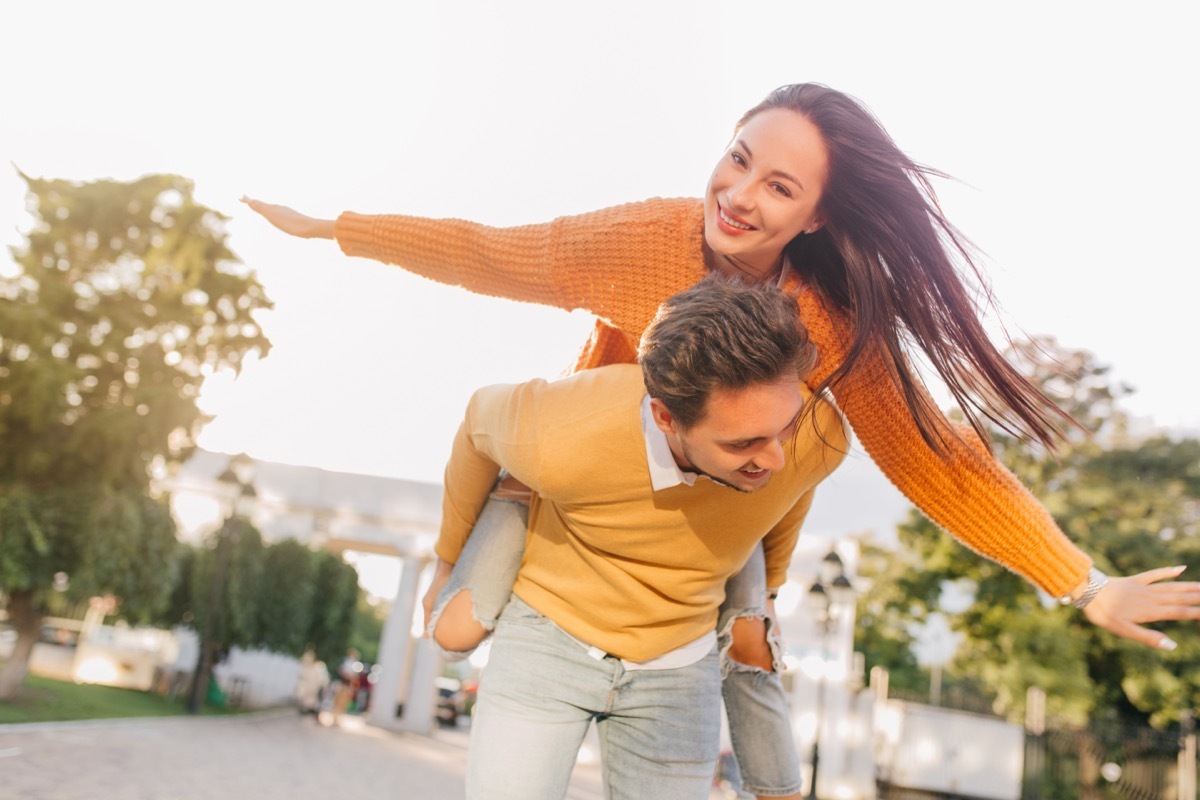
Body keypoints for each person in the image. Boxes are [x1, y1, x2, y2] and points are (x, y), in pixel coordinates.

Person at [244, 82, 1200, 799]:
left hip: (719, 535)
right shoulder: (643, 241)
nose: (737, 194)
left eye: (777, 186)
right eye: (737, 157)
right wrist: (340, 229)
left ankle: (752, 638)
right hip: (592, 485)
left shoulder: (831, 324)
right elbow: (497, 252)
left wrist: (1079, 580)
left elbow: (937, 455)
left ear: (817, 215)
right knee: (483, 576)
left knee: (801, 472)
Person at [444, 276, 845, 799]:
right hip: (551, 634)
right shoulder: (560, 432)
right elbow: (477, 418)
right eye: (744, 441)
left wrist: (769, 585)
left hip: (679, 664)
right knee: (452, 636)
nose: (774, 458)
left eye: (783, 429)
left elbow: (792, 488)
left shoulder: (818, 438)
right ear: (666, 418)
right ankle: (520, 491)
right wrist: (443, 559)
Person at [294, 645, 329, 721]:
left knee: (315, 703)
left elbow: (322, 678)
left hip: (315, 688)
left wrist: (323, 686)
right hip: (307, 688)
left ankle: (315, 714)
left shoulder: (319, 666)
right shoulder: (305, 667)